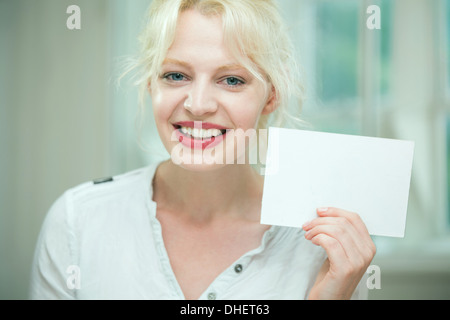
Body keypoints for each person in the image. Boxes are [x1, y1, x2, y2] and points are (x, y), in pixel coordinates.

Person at [29, 0, 376, 300]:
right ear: (151, 83)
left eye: (232, 80)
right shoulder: (78, 222)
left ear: (271, 96)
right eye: (176, 75)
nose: (198, 105)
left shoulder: (324, 246)